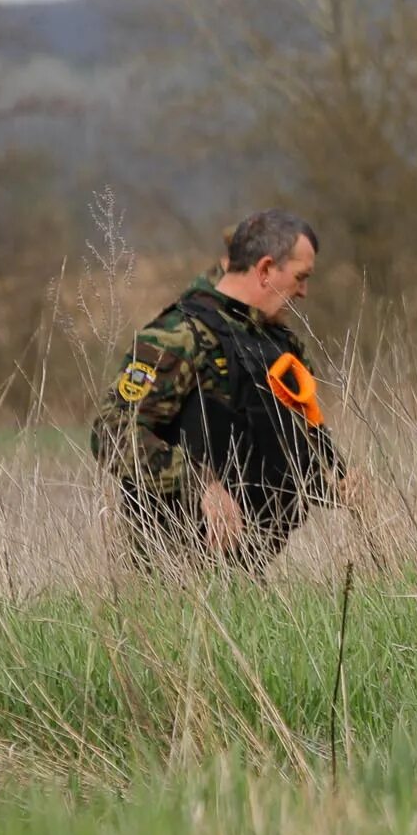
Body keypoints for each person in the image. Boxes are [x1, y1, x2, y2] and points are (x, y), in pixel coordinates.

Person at [90, 209, 361, 569]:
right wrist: (201, 486)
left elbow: (293, 436)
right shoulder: (178, 336)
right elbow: (110, 433)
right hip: (173, 571)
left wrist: (338, 482)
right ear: (265, 270)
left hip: (250, 566)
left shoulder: (277, 345)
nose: (305, 293)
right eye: (300, 277)